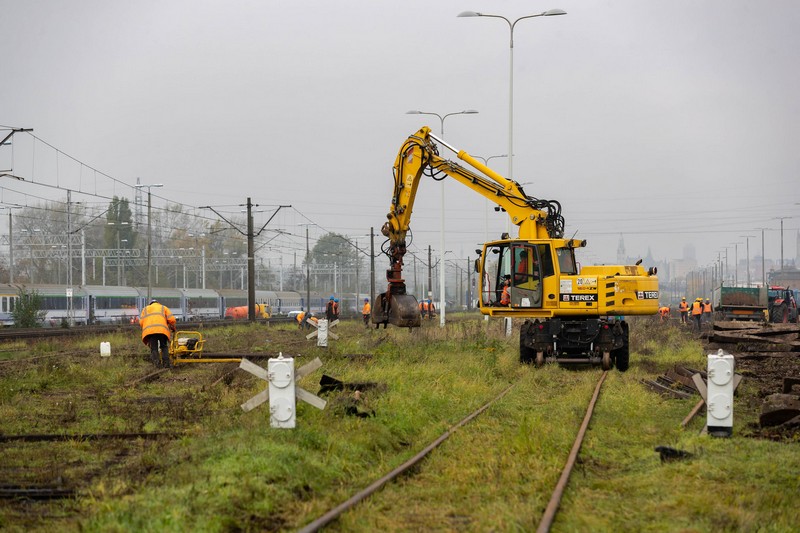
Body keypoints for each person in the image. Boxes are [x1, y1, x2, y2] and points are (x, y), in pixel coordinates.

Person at [140, 298, 177, 368]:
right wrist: (172, 327)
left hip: (150, 332)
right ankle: (166, 364)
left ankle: (157, 365)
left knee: (154, 348)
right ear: (158, 303)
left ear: (150, 304)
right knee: (164, 347)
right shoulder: (163, 308)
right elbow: (172, 319)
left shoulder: (145, 309)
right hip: (162, 331)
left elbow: (141, 322)